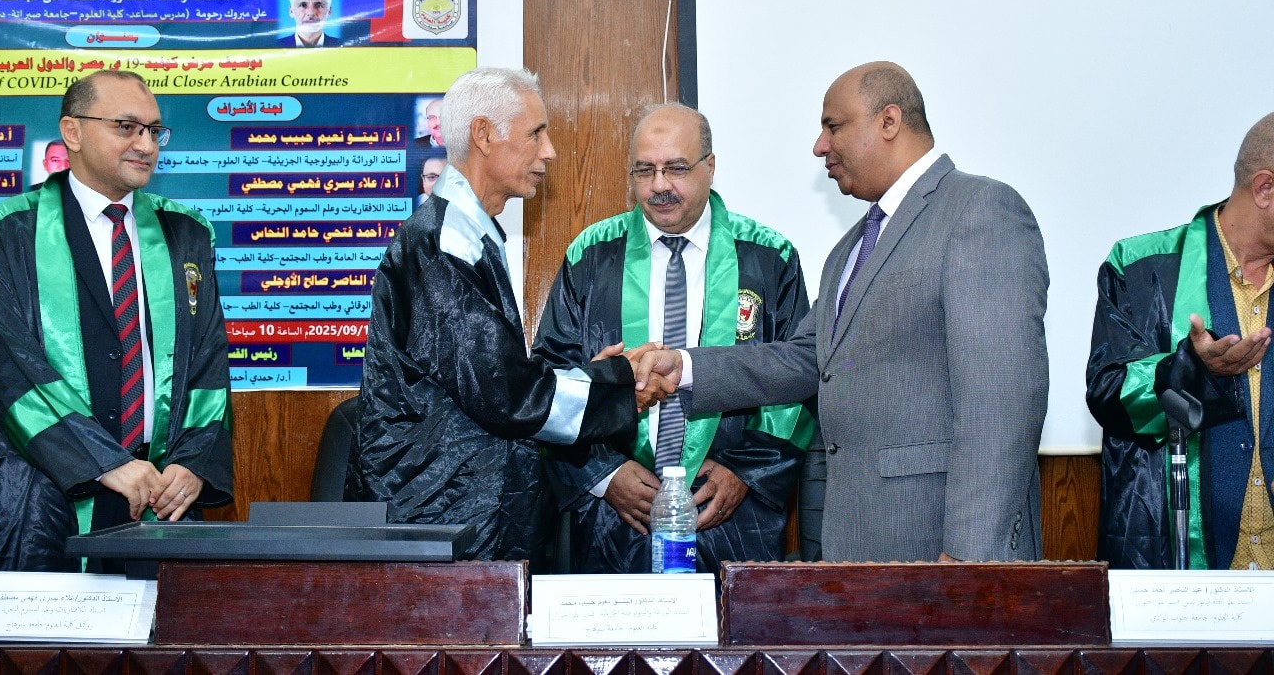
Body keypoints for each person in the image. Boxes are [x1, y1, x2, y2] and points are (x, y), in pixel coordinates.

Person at [635, 61, 1050, 563]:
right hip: (859, 548)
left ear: (889, 121)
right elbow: (806, 359)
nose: (820, 146)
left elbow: (1002, 402)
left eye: (833, 126)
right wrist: (683, 367)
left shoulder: (980, 209)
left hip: (943, 549)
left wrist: (970, 559)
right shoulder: (852, 247)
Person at [345, 67, 672, 565]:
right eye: (536, 133)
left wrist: (595, 378)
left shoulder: (465, 233)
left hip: (462, 512)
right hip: (439, 523)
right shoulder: (445, 243)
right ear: (483, 134)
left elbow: (492, 377)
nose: (550, 152)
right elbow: (507, 395)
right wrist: (620, 385)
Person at [535, 104, 815, 573]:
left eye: (677, 168)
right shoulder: (591, 254)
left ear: (711, 166)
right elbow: (552, 380)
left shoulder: (769, 257)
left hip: (728, 514)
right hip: (617, 515)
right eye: (644, 170)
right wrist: (603, 474)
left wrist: (746, 471)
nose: (659, 185)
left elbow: (799, 377)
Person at [0, 70, 233, 572]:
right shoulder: (10, 232)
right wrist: (104, 461)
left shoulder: (184, 233)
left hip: (159, 493)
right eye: (126, 127)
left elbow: (208, 361)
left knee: (165, 622)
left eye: (154, 130)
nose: (145, 144)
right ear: (73, 132)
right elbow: (11, 367)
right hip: (42, 490)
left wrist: (191, 463)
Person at [1087, 113, 1274, 570]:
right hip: (1179, 572)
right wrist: (1192, 369)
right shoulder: (1141, 266)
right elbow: (1107, 394)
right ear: (1265, 189)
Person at [277, 0, 341, 47]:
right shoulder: (275, 45)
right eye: (303, 5)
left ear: (329, 11)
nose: (311, 13)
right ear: (291, 11)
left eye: (319, 6)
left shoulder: (342, 46)